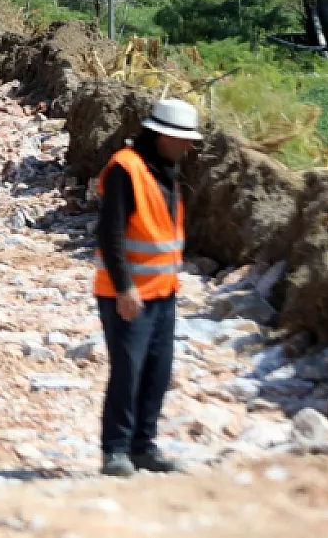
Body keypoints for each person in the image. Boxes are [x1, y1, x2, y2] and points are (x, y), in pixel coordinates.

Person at [93, 97, 200, 479]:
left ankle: (144, 447)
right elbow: (111, 234)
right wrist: (124, 289)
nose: (189, 146)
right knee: (128, 371)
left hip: (162, 292)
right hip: (128, 294)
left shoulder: (164, 170)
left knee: (157, 371)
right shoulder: (127, 169)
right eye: (182, 138)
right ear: (160, 135)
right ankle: (116, 451)